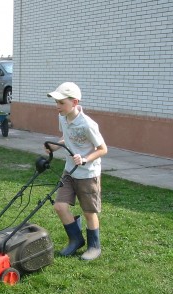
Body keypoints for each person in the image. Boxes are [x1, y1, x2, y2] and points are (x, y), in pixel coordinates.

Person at [45, 82, 108, 260]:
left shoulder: (87, 124)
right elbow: (67, 138)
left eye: (61, 103)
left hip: (88, 174)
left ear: (74, 102)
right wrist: (55, 147)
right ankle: (76, 240)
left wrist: (85, 158)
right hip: (69, 171)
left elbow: (103, 149)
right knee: (59, 206)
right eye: (56, 103)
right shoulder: (63, 117)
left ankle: (94, 246)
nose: (57, 107)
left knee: (89, 212)